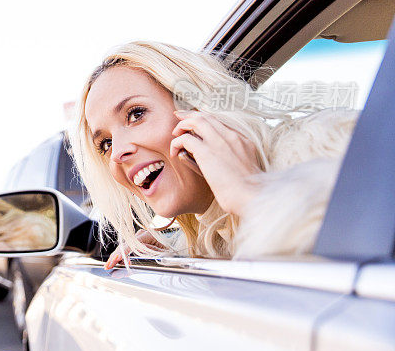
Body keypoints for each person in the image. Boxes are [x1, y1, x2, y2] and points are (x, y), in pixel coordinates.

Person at [68, 41, 357, 264]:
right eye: (105, 144)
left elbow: (368, 239)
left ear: (198, 106)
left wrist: (249, 194)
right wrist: (174, 247)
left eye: (136, 114)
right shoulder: (205, 232)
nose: (117, 153)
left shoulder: (328, 146)